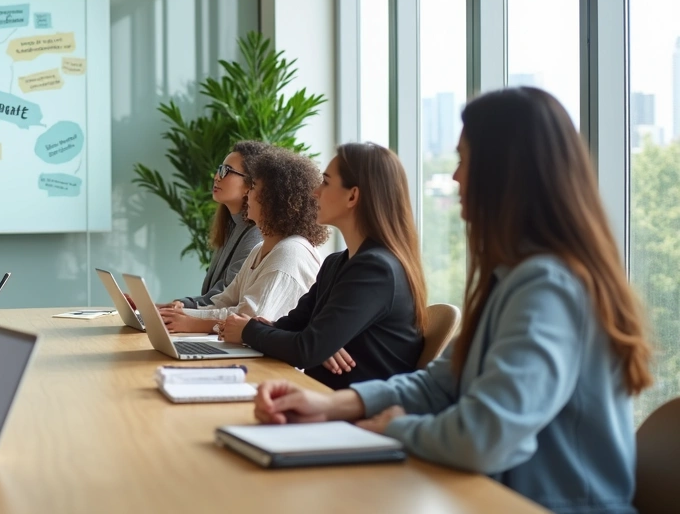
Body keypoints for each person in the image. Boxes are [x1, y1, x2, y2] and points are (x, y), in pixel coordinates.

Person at [250, 88, 652, 514]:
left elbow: (485, 435)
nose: (456, 177)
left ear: (505, 173)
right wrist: (331, 405)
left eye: (463, 160)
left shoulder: (549, 286)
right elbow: (439, 382)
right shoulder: (513, 277)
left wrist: (395, 428)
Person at [221, 142, 426, 390]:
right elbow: (292, 327)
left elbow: (306, 349)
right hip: (321, 396)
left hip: (354, 407)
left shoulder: (376, 270)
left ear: (352, 196)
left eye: (326, 182)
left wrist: (249, 331)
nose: (315, 192)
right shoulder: (336, 263)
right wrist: (310, 341)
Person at [158, 146, 327, 333]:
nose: (248, 194)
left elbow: (249, 318)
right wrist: (176, 315)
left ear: (274, 199)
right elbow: (223, 301)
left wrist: (192, 322)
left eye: (253, 187)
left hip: (269, 353)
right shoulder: (259, 250)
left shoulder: (290, 253)